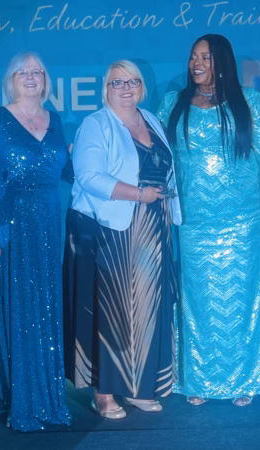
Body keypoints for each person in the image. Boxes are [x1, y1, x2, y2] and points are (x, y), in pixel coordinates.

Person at [157, 34, 260, 407]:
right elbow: (161, 161)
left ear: (223, 62)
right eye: (193, 56)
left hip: (245, 219)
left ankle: (244, 378)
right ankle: (197, 380)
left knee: (244, 295)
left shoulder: (247, 101)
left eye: (206, 57)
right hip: (194, 221)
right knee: (198, 299)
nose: (197, 63)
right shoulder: (172, 104)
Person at [63, 60, 182, 419]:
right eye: (118, 82)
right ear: (106, 88)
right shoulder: (95, 124)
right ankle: (106, 393)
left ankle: (140, 387)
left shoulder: (151, 120)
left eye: (133, 81)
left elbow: (166, 170)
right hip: (114, 230)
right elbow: (87, 176)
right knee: (115, 311)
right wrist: (137, 194)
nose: (126, 88)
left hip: (154, 228)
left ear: (142, 87)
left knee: (149, 309)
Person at [0, 52, 71, 431]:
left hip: (47, 227)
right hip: (7, 226)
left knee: (44, 312)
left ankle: (46, 399)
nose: (30, 77)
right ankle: (21, 403)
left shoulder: (55, 121)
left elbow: (72, 172)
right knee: (20, 314)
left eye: (37, 71)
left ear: (46, 79)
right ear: (10, 80)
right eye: (22, 72)